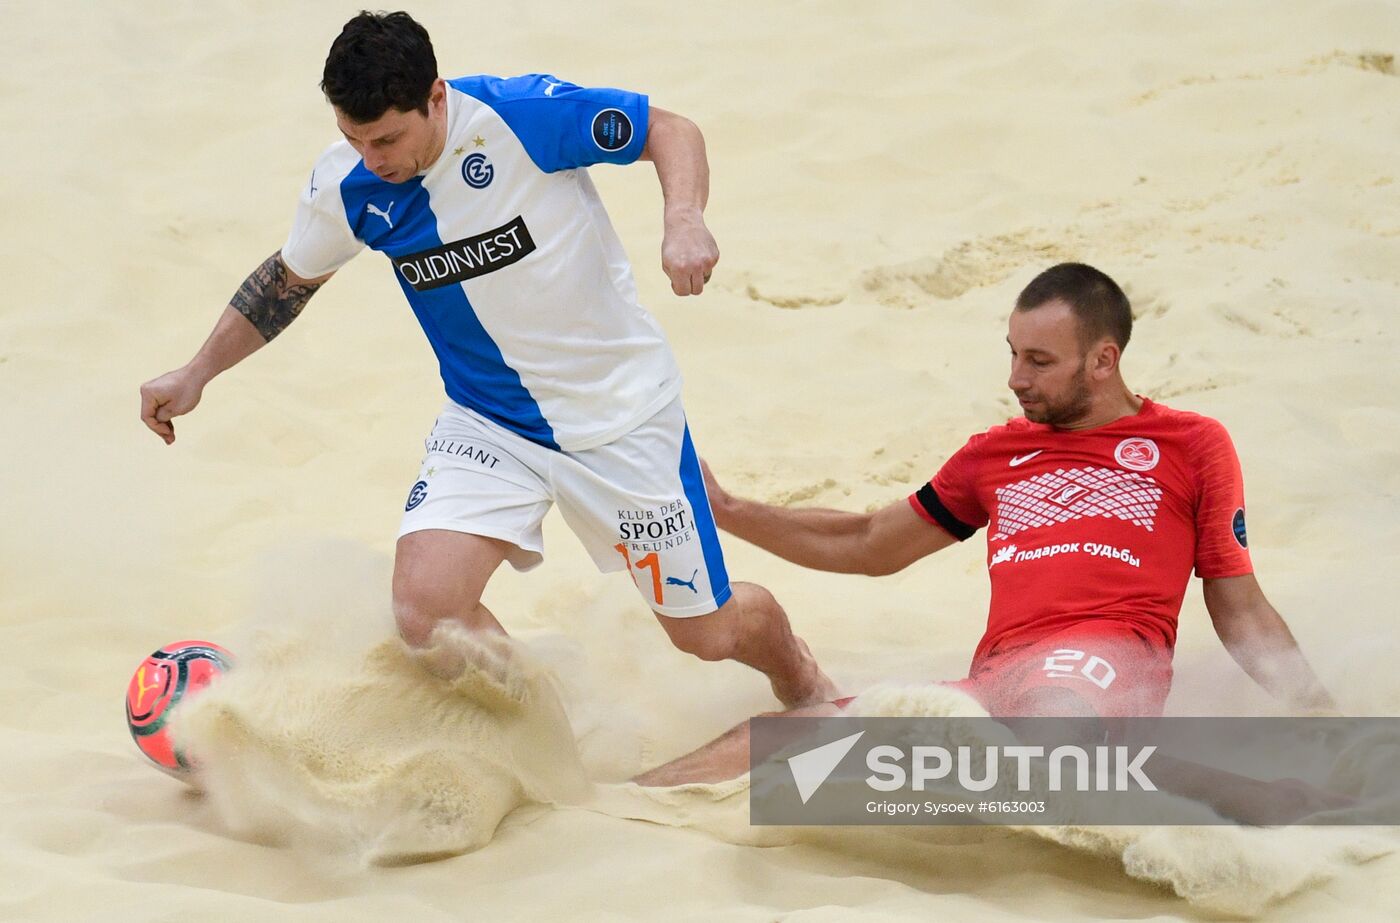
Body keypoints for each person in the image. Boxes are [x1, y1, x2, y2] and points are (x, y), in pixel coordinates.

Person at [138, 11, 834, 708]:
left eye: (386, 138)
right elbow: (288, 281)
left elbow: (669, 129)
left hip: (620, 416)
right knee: (426, 613)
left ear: (435, 99)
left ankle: (801, 678)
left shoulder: (519, 117)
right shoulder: (348, 183)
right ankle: (553, 732)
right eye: (354, 138)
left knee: (706, 633)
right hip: (490, 420)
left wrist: (684, 217)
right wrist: (195, 372)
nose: (372, 157)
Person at [634, 261, 1339, 788]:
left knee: (1049, 730)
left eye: (1039, 360)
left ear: (1103, 359)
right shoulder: (997, 453)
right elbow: (868, 542)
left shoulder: (1192, 444)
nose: (1016, 377)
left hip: (1100, 663)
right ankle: (624, 805)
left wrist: (1321, 719)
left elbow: (1237, 603)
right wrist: (728, 510)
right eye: (1012, 352)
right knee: (779, 741)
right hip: (995, 676)